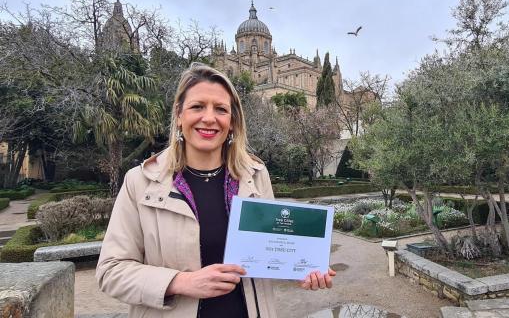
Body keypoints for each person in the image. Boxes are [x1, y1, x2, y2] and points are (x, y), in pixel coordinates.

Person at [96, 63, 336, 318]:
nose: (209, 118)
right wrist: (180, 282)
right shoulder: (141, 181)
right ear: (179, 114)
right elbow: (111, 271)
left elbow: (269, 252)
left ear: (232, 121)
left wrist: (301, 269)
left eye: (220, 109)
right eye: (198, 106)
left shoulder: (255, 175)